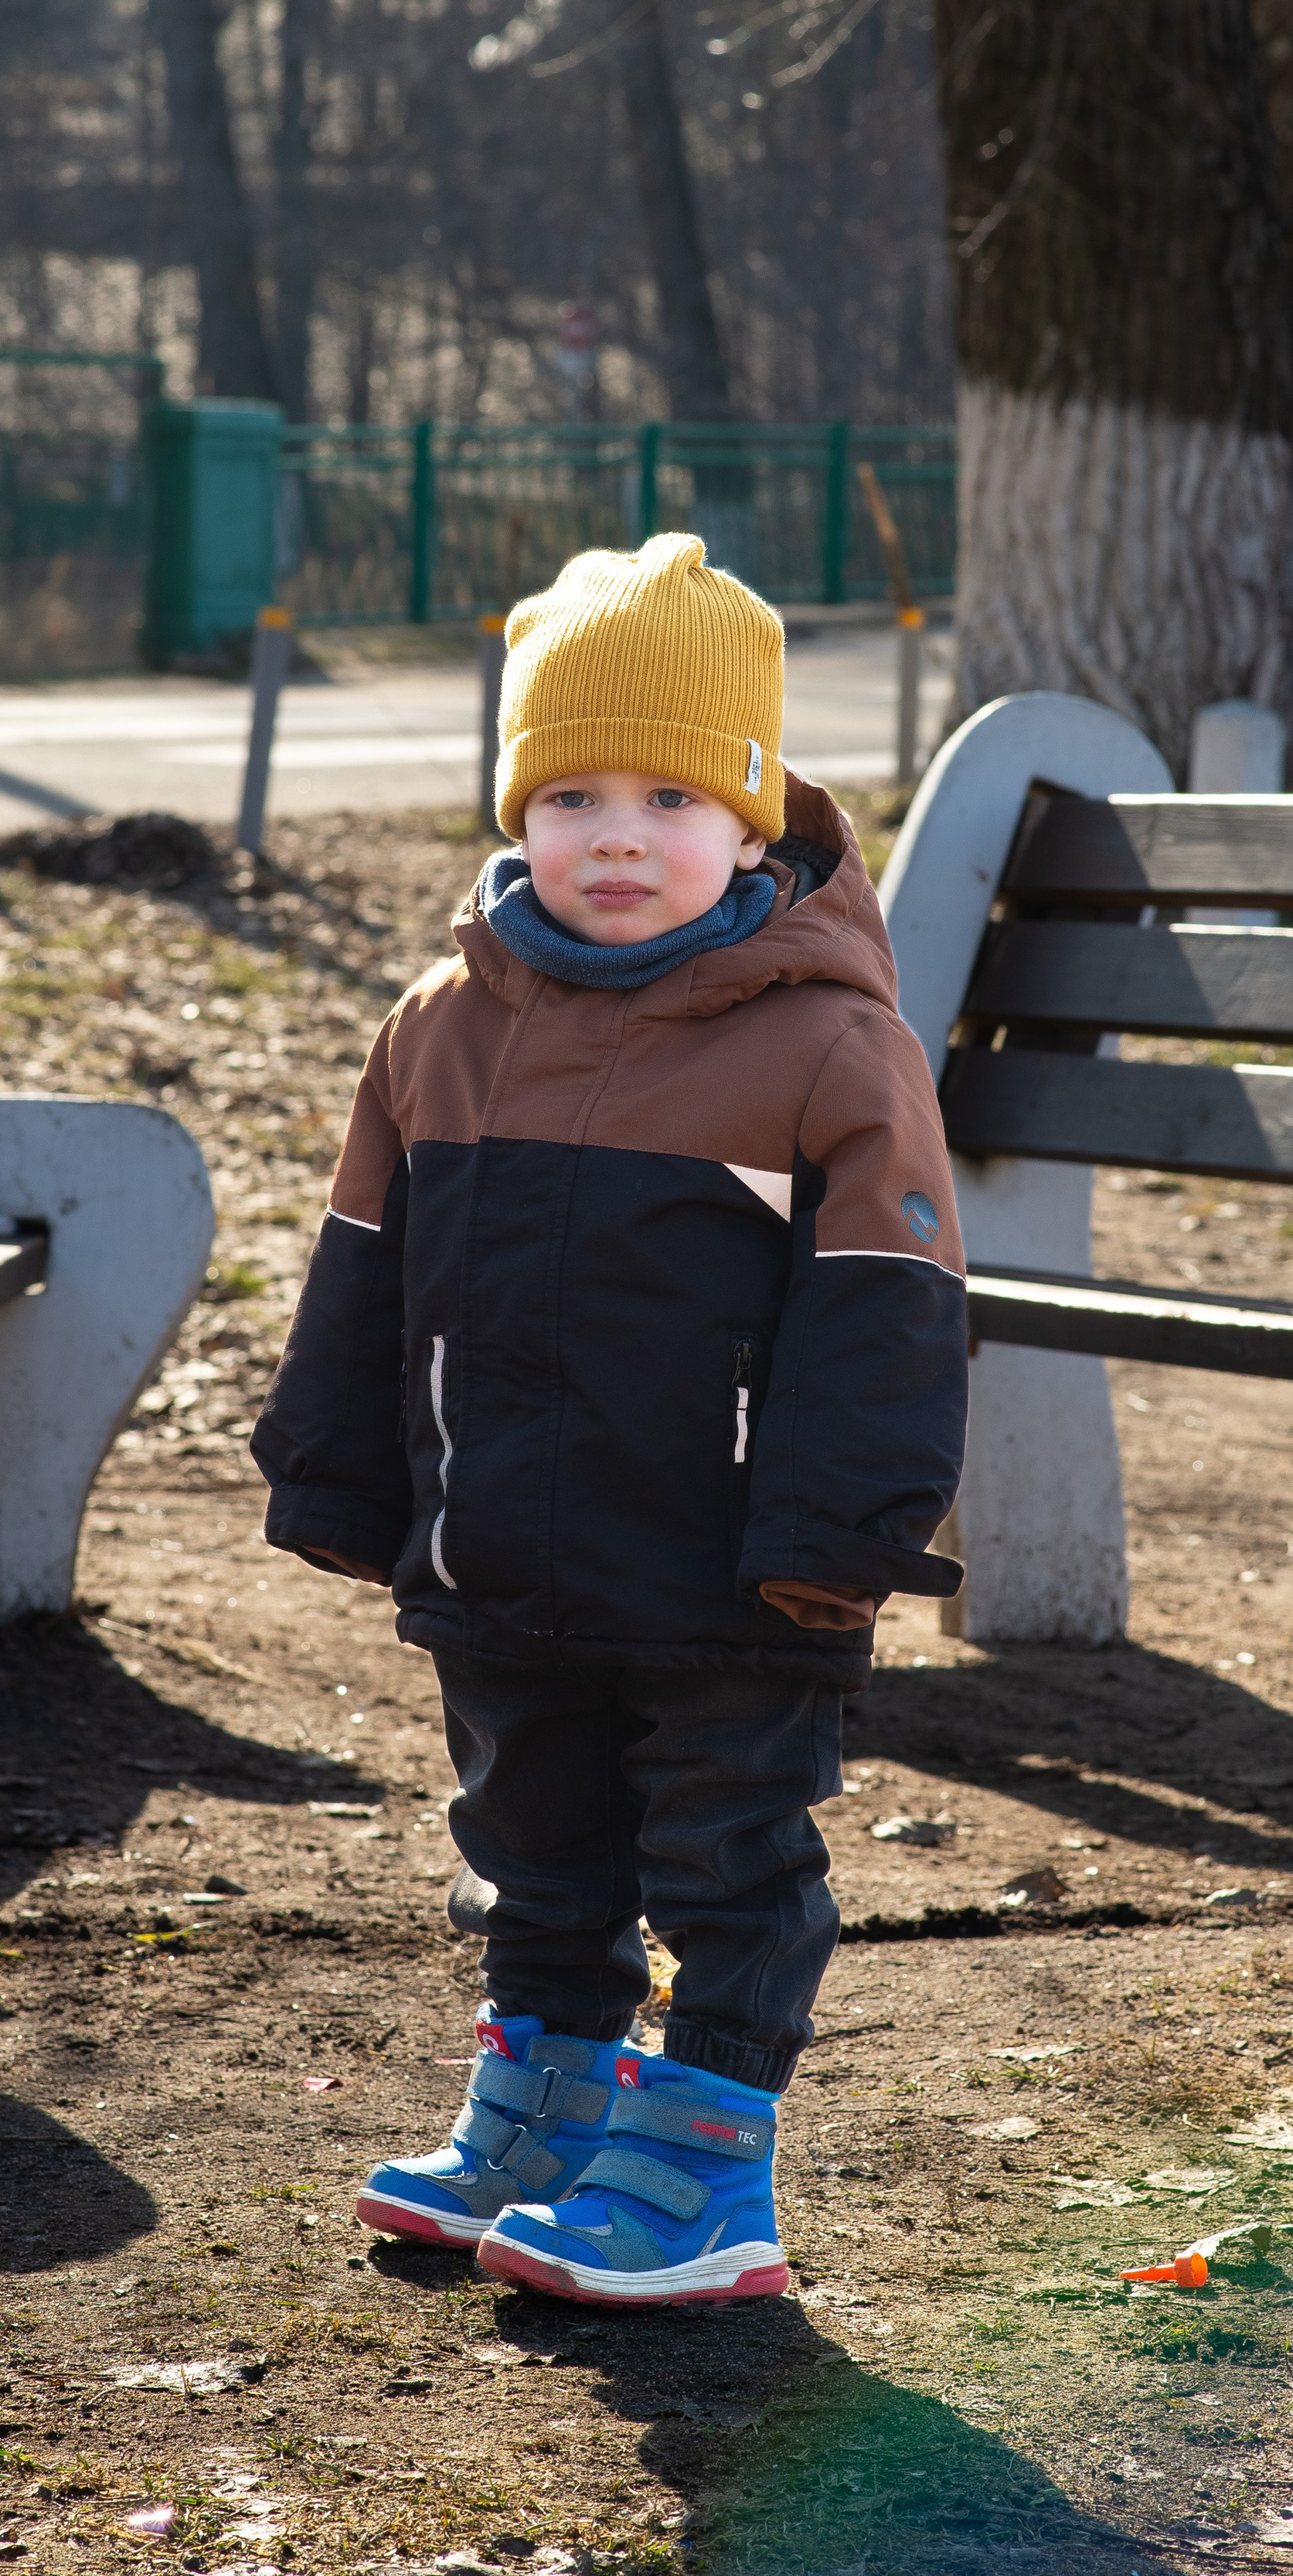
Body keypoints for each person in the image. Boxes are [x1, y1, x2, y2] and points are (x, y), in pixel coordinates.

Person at [251, 532, 968, 2308]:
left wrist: (832, 1543)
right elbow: (362, 1265)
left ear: (750, 818)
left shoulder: (823, 1047)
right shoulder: (438, 1027)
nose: (616, 836)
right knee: (528, 1845)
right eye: (567, 793)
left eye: (667, 794)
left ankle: (705, 2163)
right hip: (499, 1546)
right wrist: (343, 1476)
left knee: (725, 1854)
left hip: (727, 1571)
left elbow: (889, 1320)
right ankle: (550, 2100)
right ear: (513, 811)